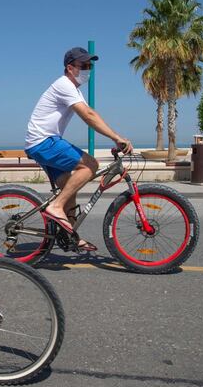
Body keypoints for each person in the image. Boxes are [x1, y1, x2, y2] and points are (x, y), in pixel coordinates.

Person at [24, 47, 133, 251]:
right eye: (84, 65)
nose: (88, 69)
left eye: (90, 65)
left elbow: (90, 113)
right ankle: (56, 207)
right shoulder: (64, 84)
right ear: (70, 68)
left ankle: (69, 236)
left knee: (69, 187)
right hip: (44, 141)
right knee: (91, 165)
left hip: (44, 141)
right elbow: (88, 115)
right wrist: (116, 137)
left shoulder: (74, 89)